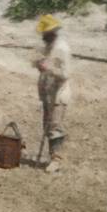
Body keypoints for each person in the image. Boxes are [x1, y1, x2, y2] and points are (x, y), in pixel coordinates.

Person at [35, 14, 72, 175]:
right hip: (47, 92)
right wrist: (38, 63)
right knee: (48, 125)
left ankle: (57, 160)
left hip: (59, 93)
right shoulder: (48, 47)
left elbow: (65, 74)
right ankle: (52, 157)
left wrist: (48, 69)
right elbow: (39, 61)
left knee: (55, 126)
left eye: (45, 34)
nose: (43, 37)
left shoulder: (61, 48)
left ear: (52, 32)